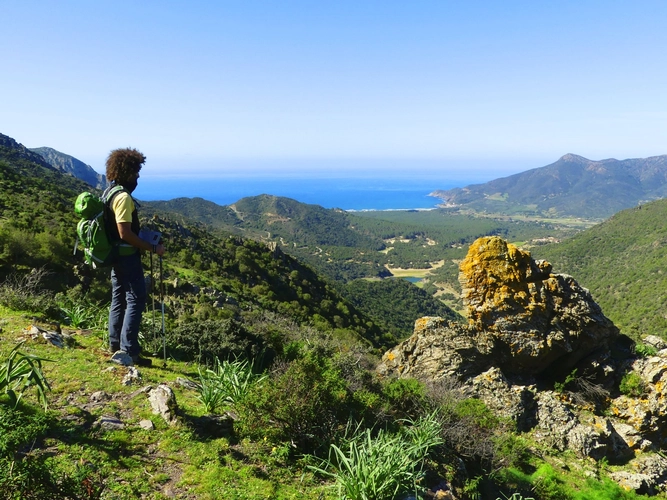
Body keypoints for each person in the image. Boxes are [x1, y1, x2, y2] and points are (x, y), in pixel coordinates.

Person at [105, 147, 165, 366]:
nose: (138, 176)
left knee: (119, 298)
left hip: (115, 256)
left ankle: (115, 345)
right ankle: (129, 351)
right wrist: (151, 248)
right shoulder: (123, 198)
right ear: (126, 171)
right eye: (136, 171)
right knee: (136, 299)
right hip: (127, 257)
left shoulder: (109, 191)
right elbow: (124, 232)